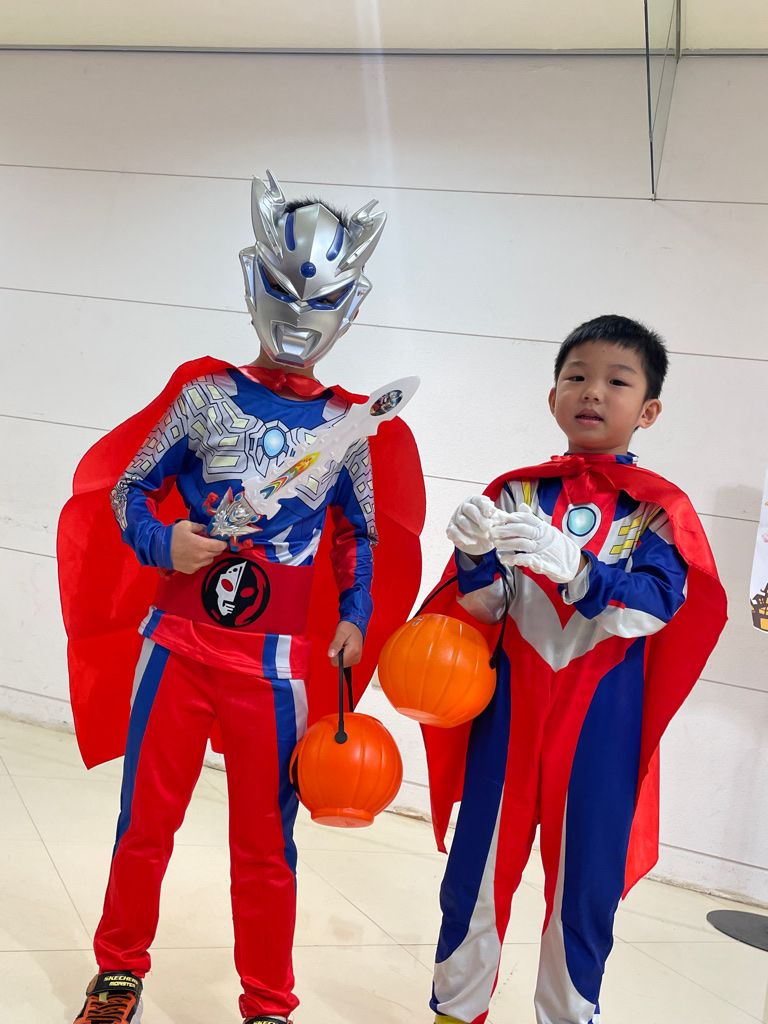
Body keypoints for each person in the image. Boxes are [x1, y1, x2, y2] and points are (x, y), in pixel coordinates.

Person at [57, 171, 424, 1024]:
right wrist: (164, 542)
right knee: (145, 824)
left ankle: (268, 1003)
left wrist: (357, 616)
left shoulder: (352, 426)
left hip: (274, 667)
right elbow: (129, 490)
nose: (299, 314)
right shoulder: (204, 397)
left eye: (321, 298)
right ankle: (118, 973)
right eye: (285, 290)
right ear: (253, 281)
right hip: (178, 648)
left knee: (265, 844)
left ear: (350, 306)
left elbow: (360, 535)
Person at [420, 315, 727, 1024]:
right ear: (552, 395)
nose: (592, 392)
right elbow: (488, 607)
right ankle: (453, 1012)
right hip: (507, 714)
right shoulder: (516, 492)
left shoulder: (658, 509)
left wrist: (580, 570)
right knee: (475, 878)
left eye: (617, 381)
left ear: (648, 410)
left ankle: (567, 1016)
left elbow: (655, 605)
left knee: (582, 894)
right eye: (576, 377)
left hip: (600, 728)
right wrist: (472, 558)